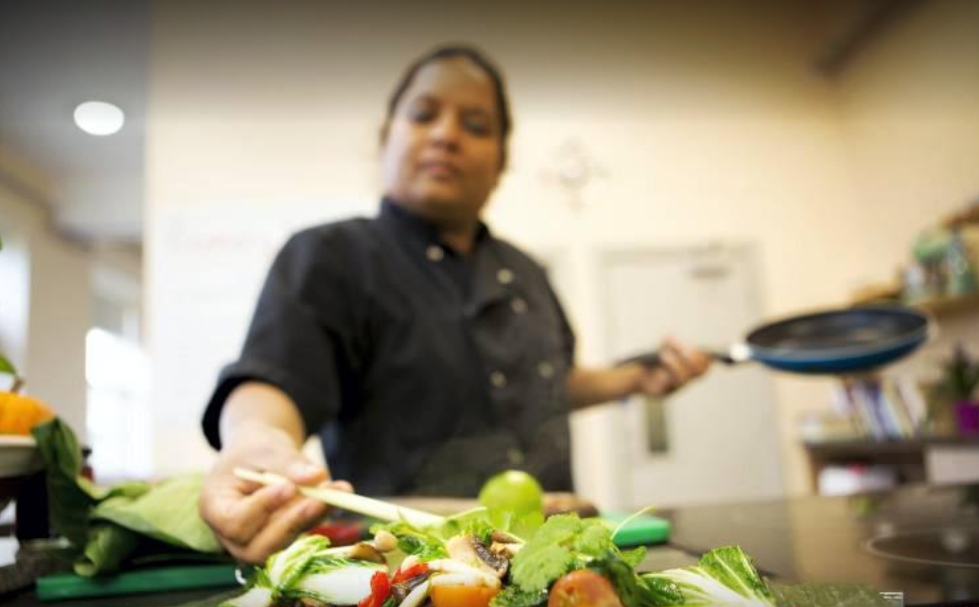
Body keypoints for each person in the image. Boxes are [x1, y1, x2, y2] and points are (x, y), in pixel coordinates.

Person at [198, 44, 712, 563]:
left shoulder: (527, 271)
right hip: (412, 573)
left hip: (558, 561)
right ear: (386, 138)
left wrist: (634, 379)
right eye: (424, 115)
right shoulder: (333, 256)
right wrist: (254, 439)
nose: (446, 135)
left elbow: (549, 381)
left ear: (502, 161)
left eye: (476, 125)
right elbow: (277, 376)